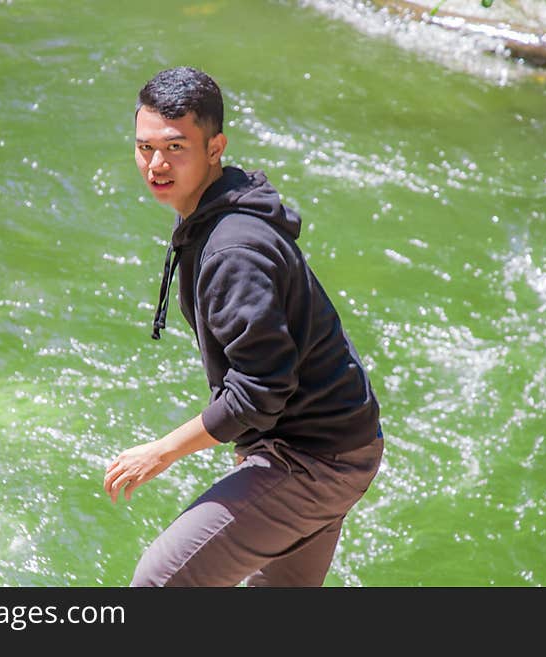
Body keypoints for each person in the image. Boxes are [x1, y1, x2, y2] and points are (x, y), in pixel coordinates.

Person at [103, 66, 384, 587]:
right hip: (341, 440)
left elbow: (261, 391)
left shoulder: (233, 250)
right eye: (144, 148)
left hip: (313, 457)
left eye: (175, 148)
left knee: (160, 582)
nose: (156, 165)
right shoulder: (218, 211)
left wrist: (160, 452)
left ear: (215, 147)